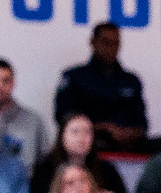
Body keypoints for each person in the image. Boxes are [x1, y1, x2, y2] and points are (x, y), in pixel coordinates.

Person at [53, 25, 148, 153]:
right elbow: (64, 118)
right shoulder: (74, 78)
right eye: (105, 42)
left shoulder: (131, 81)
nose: (111, 48)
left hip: (127, 146)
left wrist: (130, 133)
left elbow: (142, 123)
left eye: (115, 43)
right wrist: (104, 128)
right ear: (93, 42)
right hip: (89, 145)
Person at [28, 114, 128, 193]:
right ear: (62, 136)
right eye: (75, 132)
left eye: (87, 132)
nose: (81, 137)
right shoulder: (46, 169)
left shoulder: (106, 170)